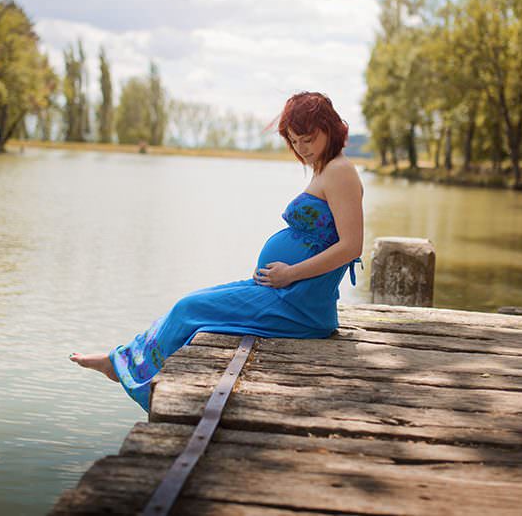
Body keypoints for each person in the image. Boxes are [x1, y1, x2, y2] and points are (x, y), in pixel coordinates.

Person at [69, 91, 364, 412]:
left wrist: (290, 273)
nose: (302, 148)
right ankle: (124, 360)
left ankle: (126, 369)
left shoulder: (340, 171)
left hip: (299, 305)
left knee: (189, 309)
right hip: (284, 292)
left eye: (308, 139)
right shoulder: (325, 168)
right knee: (192, 303)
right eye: (294, 141)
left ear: (329, 128)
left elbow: (351, 246)